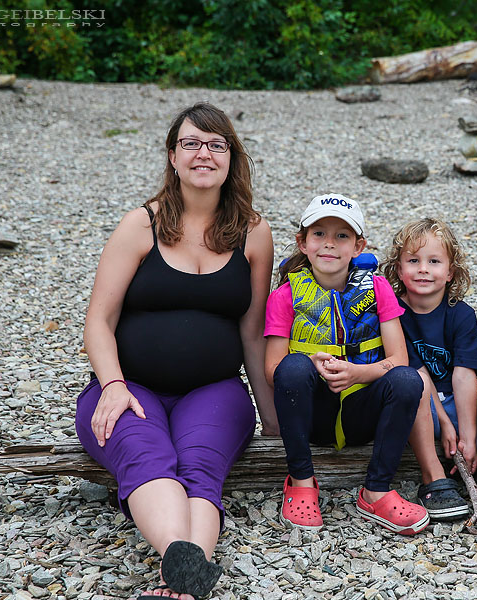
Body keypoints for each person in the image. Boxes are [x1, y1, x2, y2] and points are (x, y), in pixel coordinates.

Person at [75, 103, 278, 600]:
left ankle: (181, 575)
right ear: (172, 156)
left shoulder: (254, 233)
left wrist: (274, 421)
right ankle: (186, 573)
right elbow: (98, 321)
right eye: (190, 143)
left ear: (231, 158)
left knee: (200, 466)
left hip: (215, 390)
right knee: (147, 456)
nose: (202, 154)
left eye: (216, 144)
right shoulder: (138, 226)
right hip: (129, 388)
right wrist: (114, 386)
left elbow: (253, 334)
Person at [264, 193, 429, 536]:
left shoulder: (378, 288)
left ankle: (377, 491)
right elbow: (272, 370)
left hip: (362, 412)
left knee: (408, 380)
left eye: (342, 236)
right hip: (314, 416)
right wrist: (310, 362)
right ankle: (301, 484)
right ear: (303, 243)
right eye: (319, 234)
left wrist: (358, 373)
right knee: (293, 367)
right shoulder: (285, 295)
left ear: (358, 246)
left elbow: (400, 360)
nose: (329, 244)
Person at [382, 218, 477, 532]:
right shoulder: (393, 311)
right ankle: (433, 478)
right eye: (413, 261)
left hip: (460, 402)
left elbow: (463, 375)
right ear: (398, 269)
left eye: (434, 261)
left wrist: (469, 438)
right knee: (413, 380)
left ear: (450, 272)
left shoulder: (461, 313)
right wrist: (446, 425)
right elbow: (416, 372)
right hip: (419, 406)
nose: (423, 269)